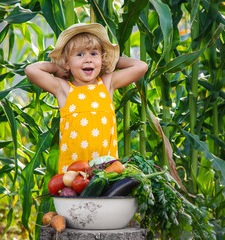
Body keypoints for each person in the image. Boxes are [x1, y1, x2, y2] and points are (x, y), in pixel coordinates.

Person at [25, 23, 148, 173]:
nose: (88, 59)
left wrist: (111, 61)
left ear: (102, 59)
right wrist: (57, 68)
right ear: (67, 63)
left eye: (94, 54)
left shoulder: (107, 84)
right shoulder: (63, 89)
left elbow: (141, 67)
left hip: (106, 172)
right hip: (72, 174)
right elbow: (31, 70)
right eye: (80, 54)